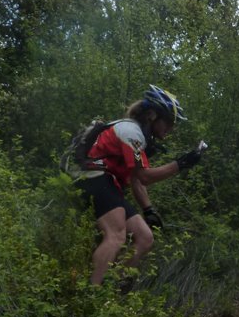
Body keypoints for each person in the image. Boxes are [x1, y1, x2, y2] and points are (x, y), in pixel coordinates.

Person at [78, 85, 206, 286]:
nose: (171, 128)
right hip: (91, 177)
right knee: (116, 235)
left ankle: (112, 289)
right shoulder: (131, 132)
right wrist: (181, 164)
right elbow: (145, 176)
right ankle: (91, 295)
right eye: (169, 121)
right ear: (152, 115)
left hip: (105, 181)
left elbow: (135, 178)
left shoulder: (138, 135)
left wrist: (148, 210)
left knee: (145, 237)